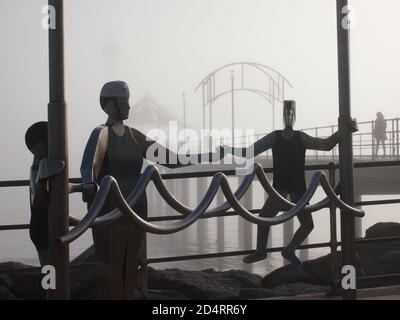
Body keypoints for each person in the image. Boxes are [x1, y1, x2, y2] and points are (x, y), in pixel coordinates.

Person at [81, 81, 222, 299]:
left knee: (131, 264)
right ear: (109, 105)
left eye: (128, 101)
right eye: (123, 102)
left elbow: (172, 159)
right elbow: (89, 165)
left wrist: (209, 156)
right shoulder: (101, 134)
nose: (128, 107)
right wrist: (88, 185)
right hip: (108, 210)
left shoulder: (134, 136)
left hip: (136, 208)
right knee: (110, 265)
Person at [226, 100, 348, 268]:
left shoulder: (290, 137)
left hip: (293, 189)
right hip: (285, 189)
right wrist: (228, 149)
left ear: (294, 116)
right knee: (269, 219)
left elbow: (326, 145)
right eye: (287, 114)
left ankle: (282, 250)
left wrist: (344, 128)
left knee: (295, 223)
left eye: (290, 114)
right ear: (284, 117)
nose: (288, 117)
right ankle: (269, 251)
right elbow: (248, 153)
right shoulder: (285, 137)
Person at [25, 121, 49, 266]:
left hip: (41, 226)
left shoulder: (38, 163)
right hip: (44, 226)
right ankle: (51, 288)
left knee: (49, 269)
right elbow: (42, 199)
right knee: (51, 270)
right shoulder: (42, 165)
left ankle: (51, 287)